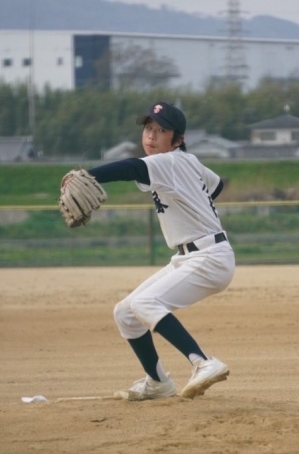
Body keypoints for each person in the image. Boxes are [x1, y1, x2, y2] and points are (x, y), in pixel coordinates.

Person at [86, 101, 235, 400]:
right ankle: (158, 383)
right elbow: (216, 186)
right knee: (125, 313)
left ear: (177, 139)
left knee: (145, 302)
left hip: (208, 257)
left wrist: (86, 175)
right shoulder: (187, 161)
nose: (151, 136)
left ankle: (203, 362)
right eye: (148, 128)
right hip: (190, 256)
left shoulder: (168, 162)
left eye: (161, 130)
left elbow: (131, 167)